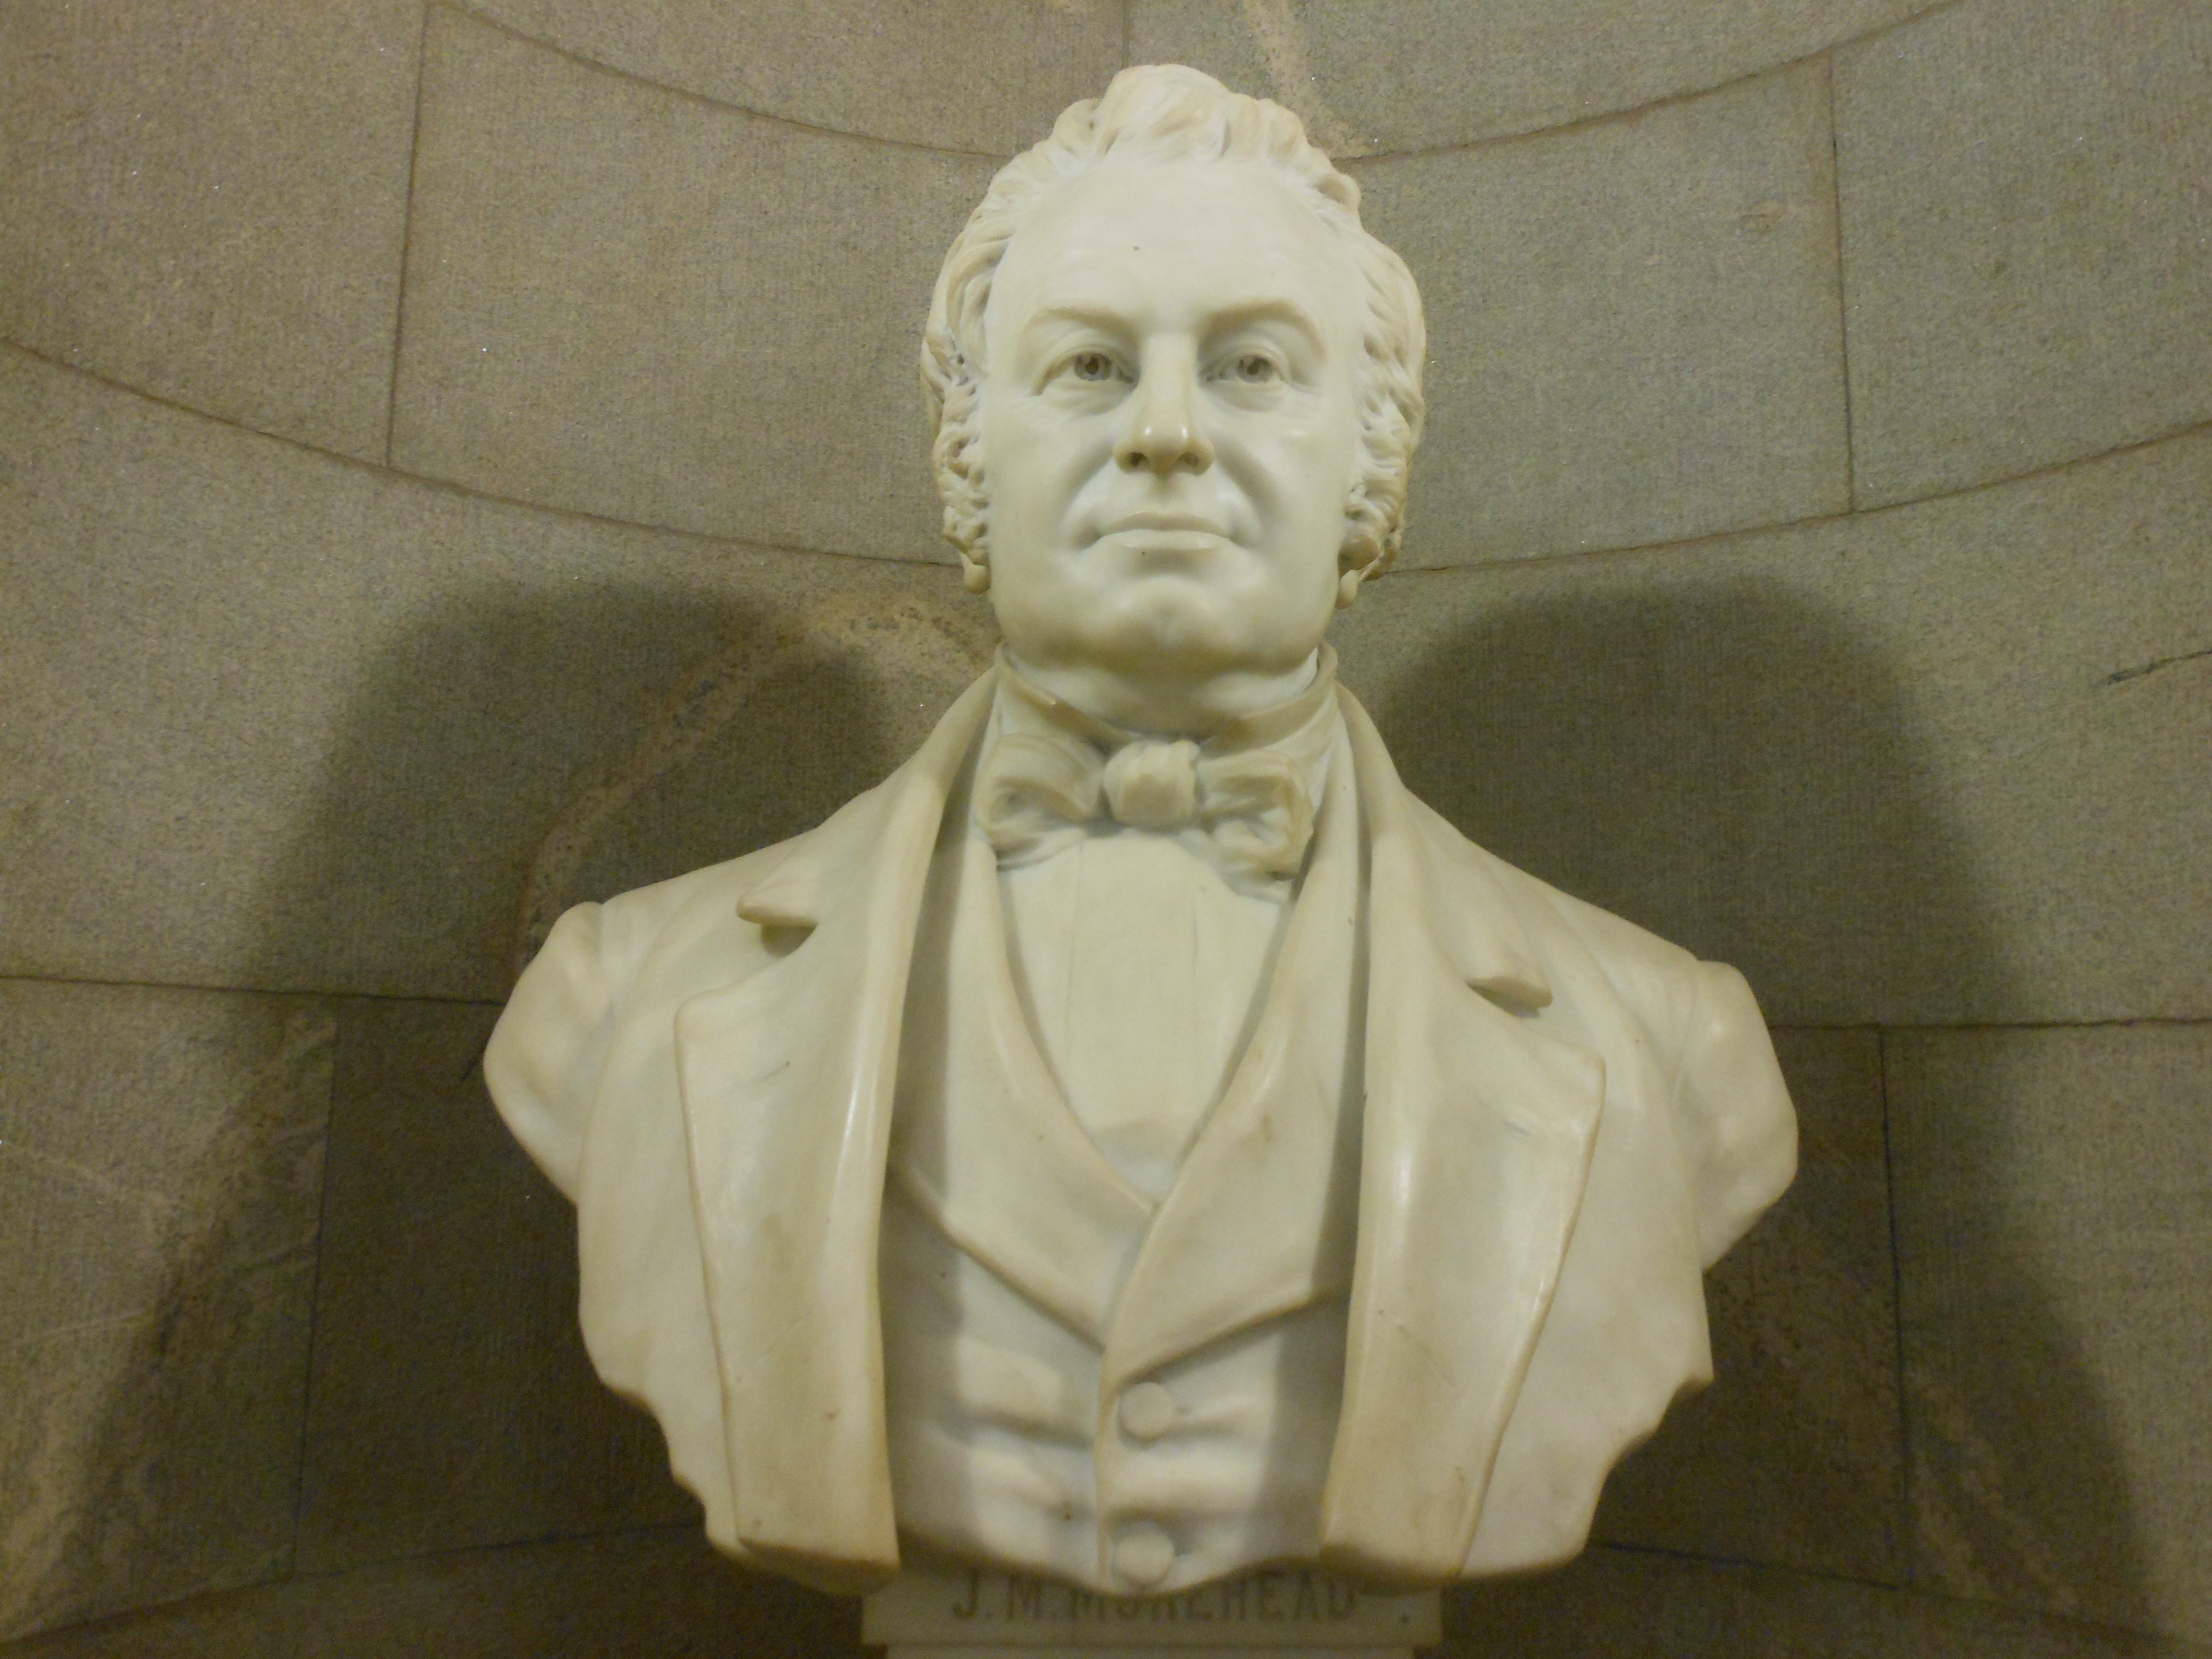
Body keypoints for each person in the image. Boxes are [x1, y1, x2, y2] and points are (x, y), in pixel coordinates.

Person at [485, 64, 1795, 1599]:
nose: (1167, 434)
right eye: (1093, 369)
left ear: (1370, 463)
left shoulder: (1670, 1051)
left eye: (1249, 368)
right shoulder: (620, 1003)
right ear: (970, 455)